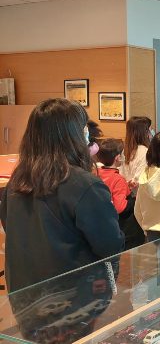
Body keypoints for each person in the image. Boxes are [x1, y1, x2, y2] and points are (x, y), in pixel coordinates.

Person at [0, 98, 124, 292]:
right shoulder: (85, 184)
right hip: (74, 295)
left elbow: (9, 225)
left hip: (24, 292)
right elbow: (109, 245)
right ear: (74, 135)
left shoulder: (17, 179)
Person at [96, 138, 145, 250]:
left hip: (104, 222)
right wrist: (135, 199)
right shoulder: (118, 179)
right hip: (123, 225)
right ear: (117, 158)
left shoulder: (97, 173)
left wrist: (126, 186)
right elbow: (120, 207)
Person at [120, 116, 153, 189]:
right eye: (150, 129)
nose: (152, 132)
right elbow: (141, 178)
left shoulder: (126, 149)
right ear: (145, 132)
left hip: (127, 191)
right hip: (138, 194)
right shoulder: (145, 151)